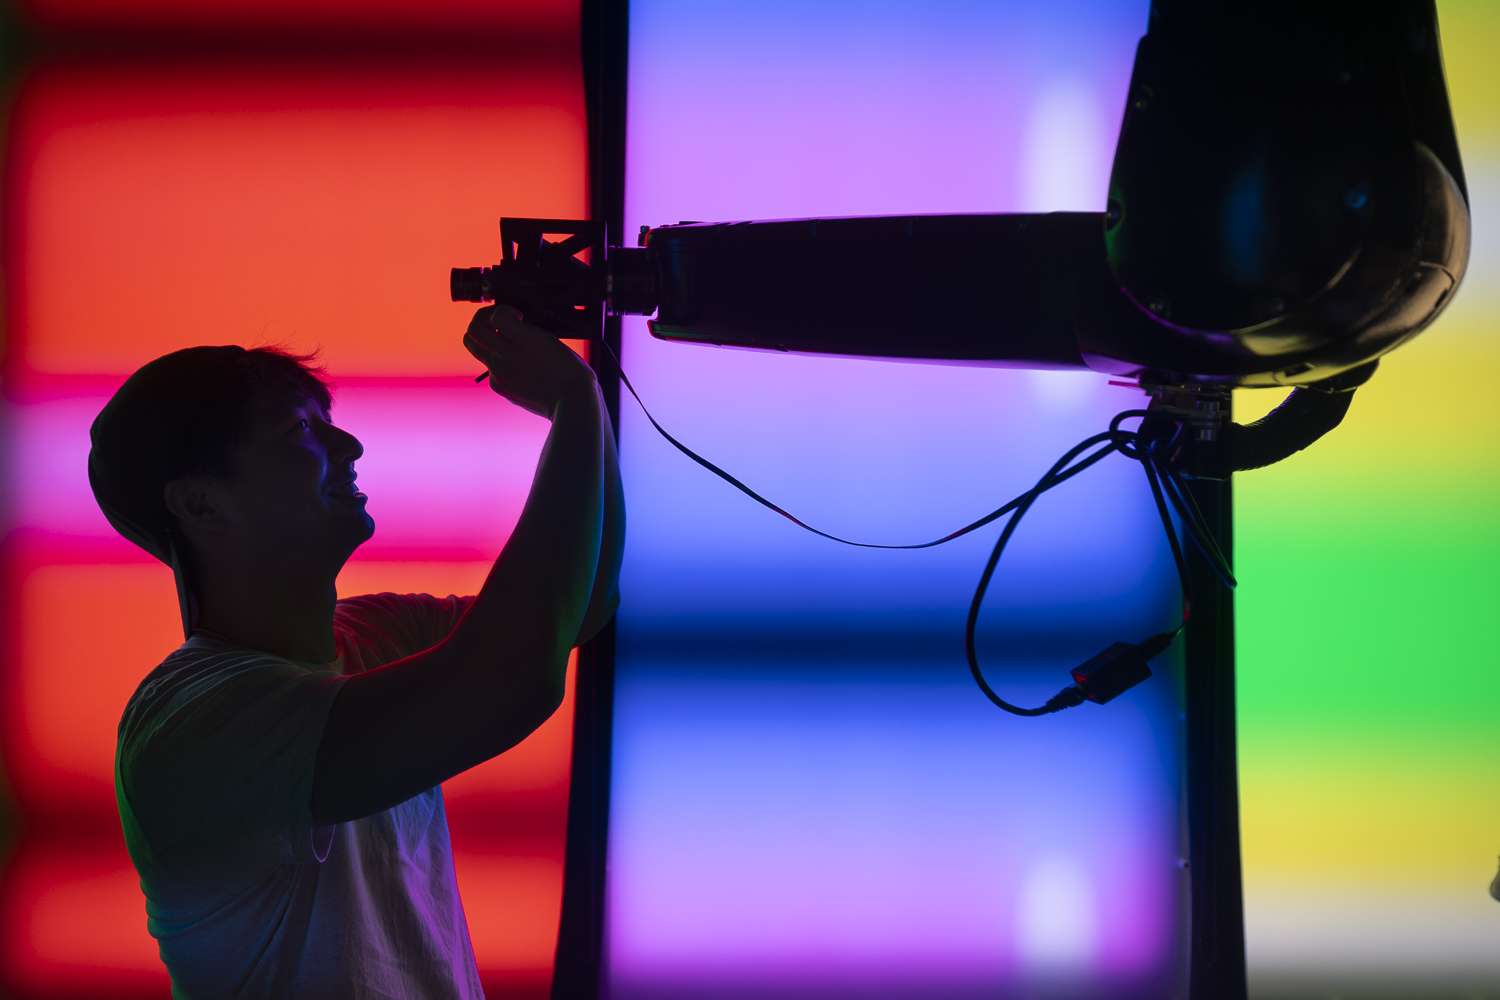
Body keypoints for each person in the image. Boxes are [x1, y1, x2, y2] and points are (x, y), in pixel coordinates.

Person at [87, 304, 623, 999]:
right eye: (302, 430)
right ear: (200, 504)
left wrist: (586, 407)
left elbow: (578, 609)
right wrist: (573, 402)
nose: (349, 448)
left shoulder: (372, 636)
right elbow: (510, 677)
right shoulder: (193, 724)